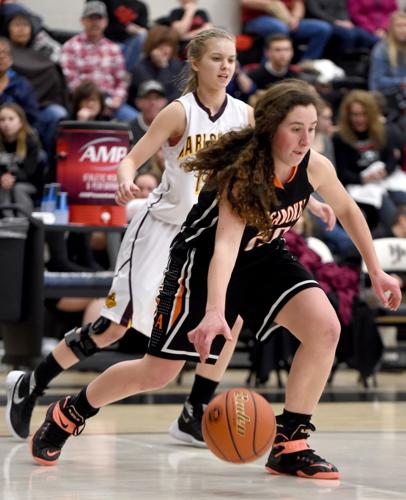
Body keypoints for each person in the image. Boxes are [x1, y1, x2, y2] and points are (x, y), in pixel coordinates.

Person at [28, 79, 401, 479]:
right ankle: (70, 412)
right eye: (296, 128)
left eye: (312, 128)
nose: (305, 137)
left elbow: (348, 210)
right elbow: (224, 247)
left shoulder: (314, 164)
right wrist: (215, 312)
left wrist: (376, 270)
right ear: (271, 126)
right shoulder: (242, 175)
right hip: (199, 263)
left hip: (264, 256)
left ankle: (291, 442)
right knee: (158, 372)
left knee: (325, 327)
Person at [5, 27, 252, 445]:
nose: (226, 67)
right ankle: (32, 383)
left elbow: (270, 167)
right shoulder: (179, 112)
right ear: (194, 62)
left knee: (227, 318)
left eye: (231, 59)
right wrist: (123, 182)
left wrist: (312, 198)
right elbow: (131, 159)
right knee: (114, 327)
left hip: (209, 235)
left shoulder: (244, 115)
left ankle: (193, 411)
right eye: (216, 59)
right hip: (161, 230)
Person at [60, 1, 137, 122]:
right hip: (84, 101)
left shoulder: (113, 48)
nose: (95, 23)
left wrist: (117, 98)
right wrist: (94, 103)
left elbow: (121, 81)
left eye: (99, 19)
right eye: (91, 19)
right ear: (83, 21)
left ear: (105, 22)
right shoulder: (70, 46)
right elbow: (71, 82)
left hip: (111, 102)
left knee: (134, 120)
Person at [0, 102, 42, 213]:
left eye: (11, 119)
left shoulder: (31, 141)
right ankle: (6, 222)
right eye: (2, 119)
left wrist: (12, 177)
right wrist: (2, 178)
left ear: (21, 122)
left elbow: (29, 171)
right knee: (4, 188)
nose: (6, 123)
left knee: (18, 189)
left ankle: (24, 221)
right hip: (3, 182)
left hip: (28, 183)